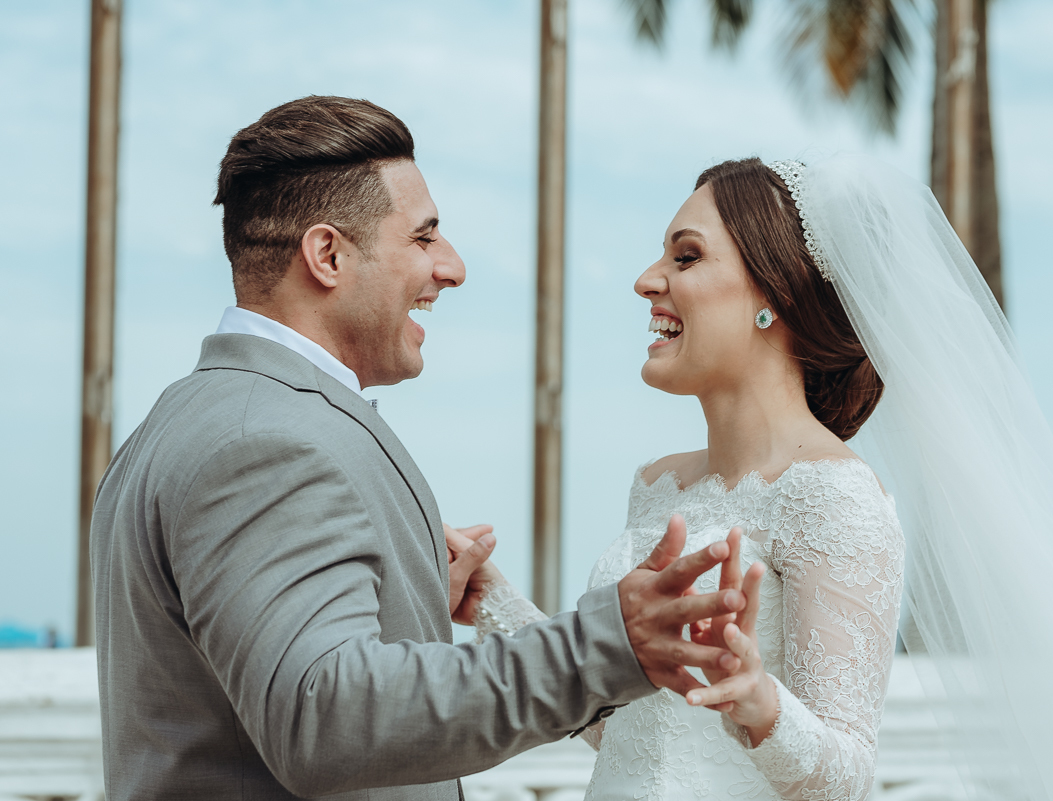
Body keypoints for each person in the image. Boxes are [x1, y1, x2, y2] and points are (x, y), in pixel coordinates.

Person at [459, 154, 1053, 800]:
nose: (646, 280)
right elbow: (637, 738)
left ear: (770, 298)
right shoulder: (658, 486)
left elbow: (844, 777)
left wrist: (757, 702)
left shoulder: (833, 494)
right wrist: (493, 600)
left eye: (685, 257)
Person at [88, 95, 750, 801]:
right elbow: (322, 715)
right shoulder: (268, 443)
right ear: (328, 254)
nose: (453, 266)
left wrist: (406, 597)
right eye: (425, 237)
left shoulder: (185, 419)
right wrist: (607, 645)